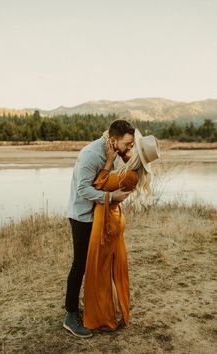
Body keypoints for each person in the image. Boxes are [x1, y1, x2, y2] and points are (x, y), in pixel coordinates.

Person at [82, 128, 161, 332]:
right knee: (107, 269)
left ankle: (104, 318)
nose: (130, 148)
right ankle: (112, 312)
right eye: (131, 145)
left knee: (101, 270)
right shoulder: (128, 173)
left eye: (133, 147)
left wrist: (108, 161)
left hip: (107, 221)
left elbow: (97, 184)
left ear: (138, 156)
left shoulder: (128, 176)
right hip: (111, 218)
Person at [63, 119, 136, 338]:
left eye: (132, 144)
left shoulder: (113, 153)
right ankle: (71, 315)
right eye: (127, 144)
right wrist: (111, 197)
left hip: (98, 214)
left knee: (97, 265)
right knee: (80, 264)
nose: (129, 148)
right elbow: (83, 188)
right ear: (113, 140)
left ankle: (96, 309)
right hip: (82, 215)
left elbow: (106, 179)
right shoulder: (91, 154)